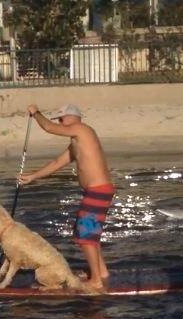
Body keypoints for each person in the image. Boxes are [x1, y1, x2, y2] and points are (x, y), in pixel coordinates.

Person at [18, 104, 115, 291]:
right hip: (96, 191)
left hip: (98, 190)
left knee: (85, 235)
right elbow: (56, 163)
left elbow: (48, 127)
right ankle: (101, 273)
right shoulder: (77, 141)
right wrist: (33, 176)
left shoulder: (82, 130)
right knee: (87, 233)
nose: (61, 123)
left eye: (62, 119)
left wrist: (36, 113)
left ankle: (96, 280)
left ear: (72, 117)